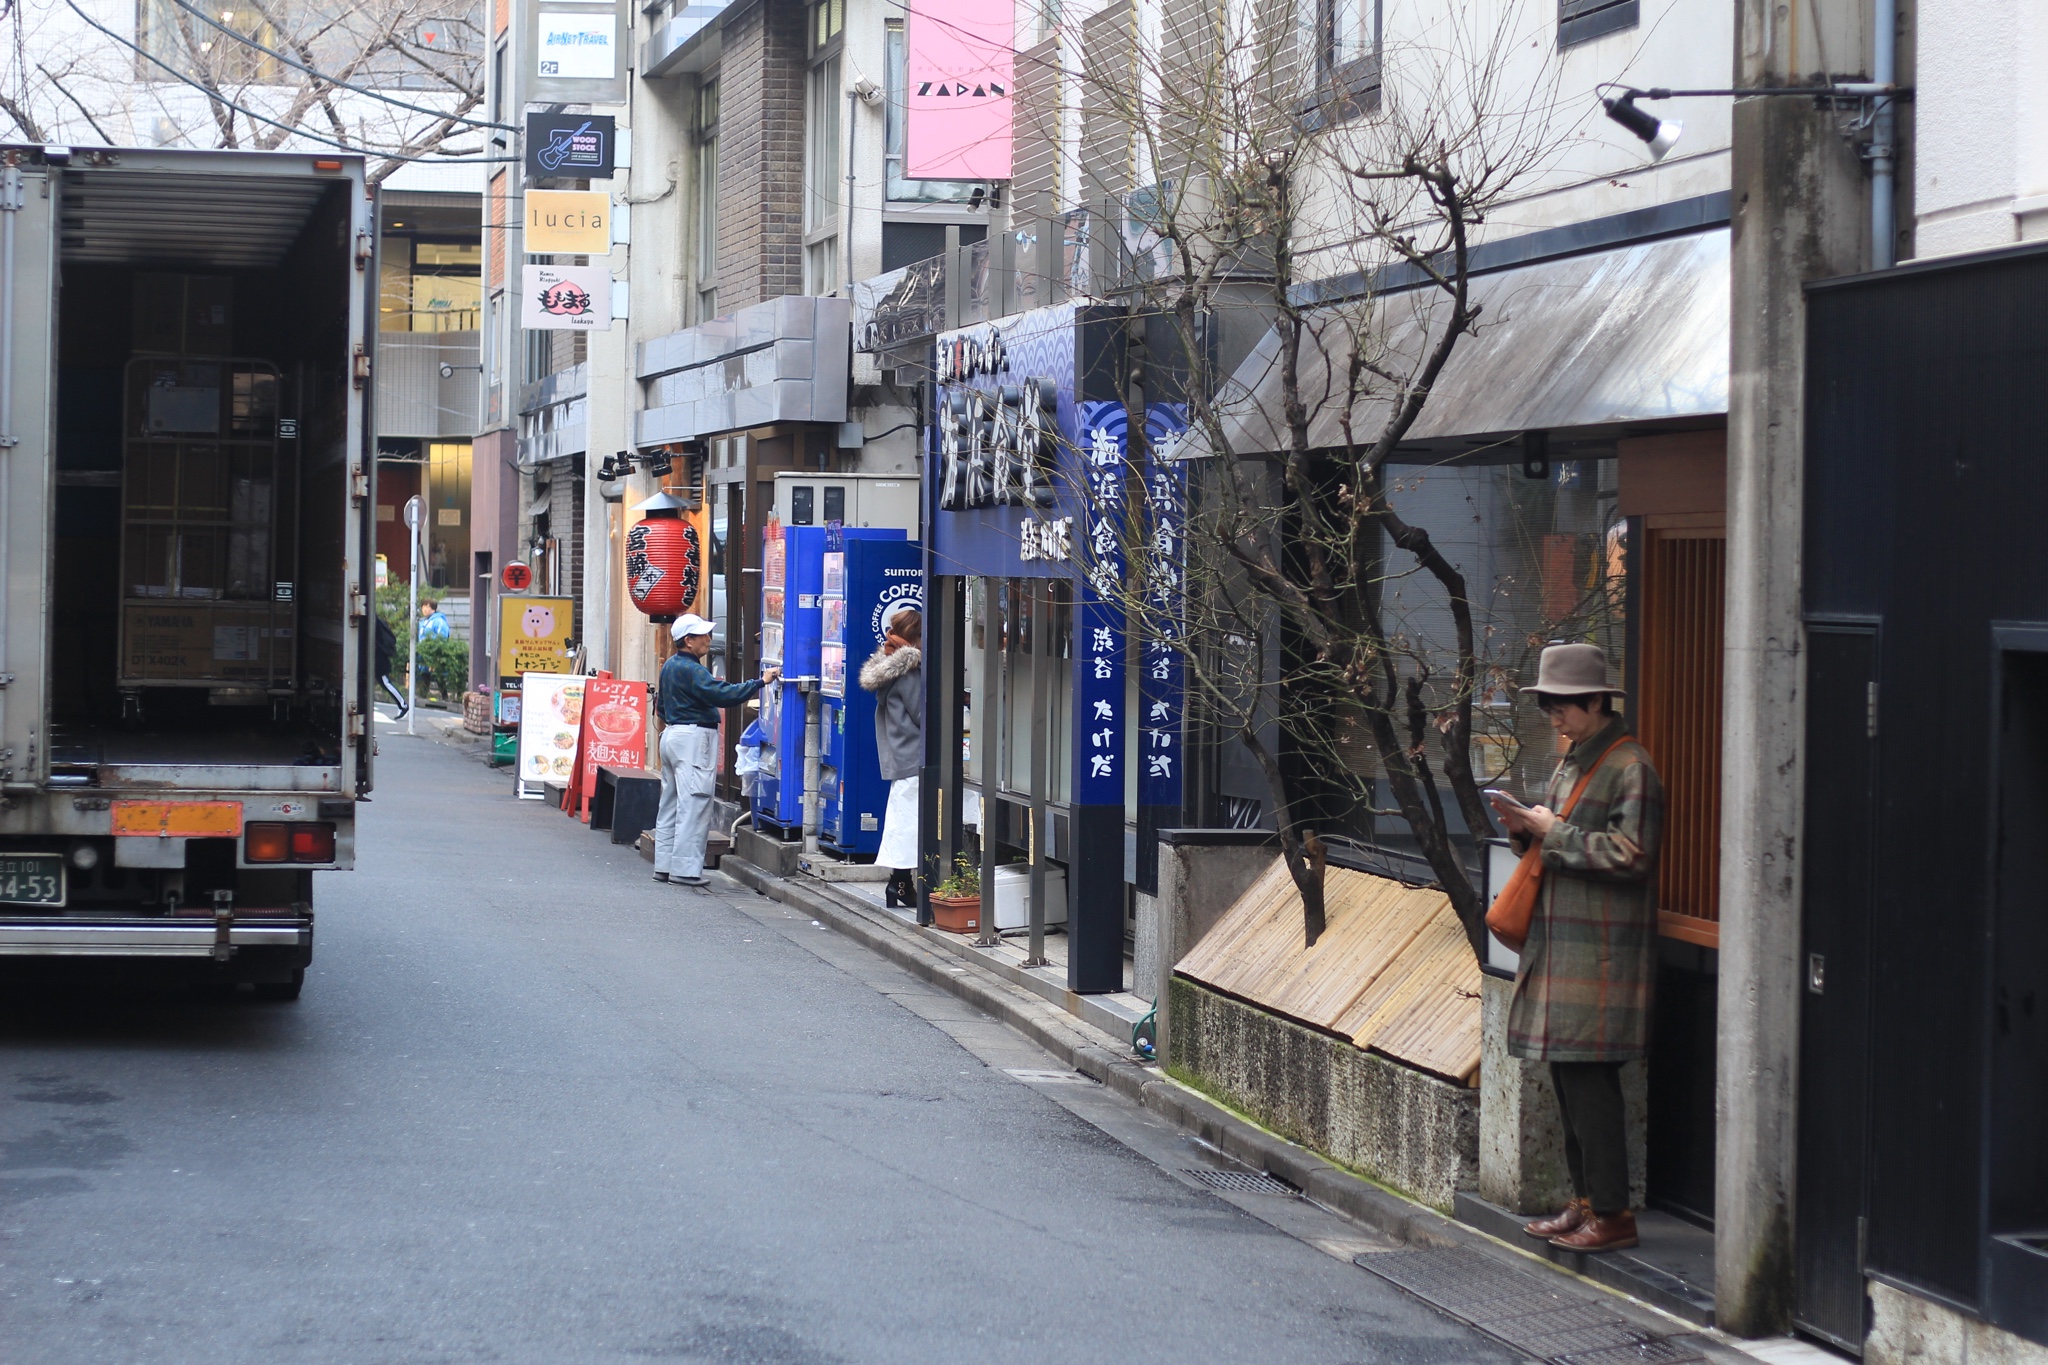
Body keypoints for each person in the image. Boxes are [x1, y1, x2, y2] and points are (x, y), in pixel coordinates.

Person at [1488, 642, 1664, 1254]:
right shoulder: (1575, 762)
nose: (1554, 718)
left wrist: (1550, 830)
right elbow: (1560, 844)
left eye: (1562, 706)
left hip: (1602, 954)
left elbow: (1633, 855)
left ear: (1595, 701)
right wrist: (1523, 831)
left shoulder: (1631, 766)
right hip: (1564, 945)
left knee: (1591, 1086)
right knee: (1567, 1079)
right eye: (1548, 706)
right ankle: (1585, 1203)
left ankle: (1613, 1216)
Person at [655, 615, 779, 888]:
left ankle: (663, 864)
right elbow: (723, 694)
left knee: (671, 804)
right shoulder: (693, 670)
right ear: (688, 640)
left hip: (672, 735)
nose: (708, 640)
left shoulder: (671, 666)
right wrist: (761, 682)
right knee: (694, 803)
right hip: (693, 738)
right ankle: (685, 870)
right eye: (703, 636)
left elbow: (660, 707)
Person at [859, 608, 923, 909]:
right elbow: (922, 714)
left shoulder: (890, 665)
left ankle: (900, 884)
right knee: (909, 823)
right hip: (914, 753)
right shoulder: (909, 670)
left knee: (903, 820)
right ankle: (900, 883)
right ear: (916, 638)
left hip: (899, 751)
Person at [374, 615, 406, 716]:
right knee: (385, 683)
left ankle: (403, 704)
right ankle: (402, 704)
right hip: (379, 657)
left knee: (386, 683)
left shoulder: (373, 621)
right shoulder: (376, 620)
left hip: (379, 659)